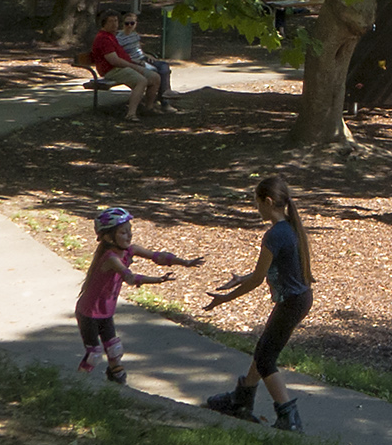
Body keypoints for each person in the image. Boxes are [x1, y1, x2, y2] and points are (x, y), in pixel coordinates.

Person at [202, 173, 314, 431]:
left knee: (266, 360)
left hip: (291, 302)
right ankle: (241, 400)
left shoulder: (275, 235)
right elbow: (268, 271)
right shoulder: (290, 227)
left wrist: (223, 299)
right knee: (264, 348)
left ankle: (289, 417)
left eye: (256, 202)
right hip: (298, 299)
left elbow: (256, 280)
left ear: (267, 201)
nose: (256, 208)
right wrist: (239, 278)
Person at [75, 206, 200, 384]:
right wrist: (157, 280)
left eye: (130, 231)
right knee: (94, 354)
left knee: (114, 349)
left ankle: (116, 378)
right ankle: (75, 383)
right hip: (89, 313)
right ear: (109, 237)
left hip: (105, 311)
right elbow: (130, 277)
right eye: (123, 233)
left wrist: (184, 262)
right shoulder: (111, 258)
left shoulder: (129, 250)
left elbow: (157, 256)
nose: (129, 235)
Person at [89, 11, 169, 116]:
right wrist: (134, 66)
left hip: (125, 66)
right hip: (113, 70)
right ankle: (131, 114)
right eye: (111, 21)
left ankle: (149, 108)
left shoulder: (111, 36)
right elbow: (114, 61)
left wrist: (135, 63)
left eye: (116, 21)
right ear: (104, 23)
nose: (114, 24)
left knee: (155, 77)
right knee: (141, 81)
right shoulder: (103, 38)